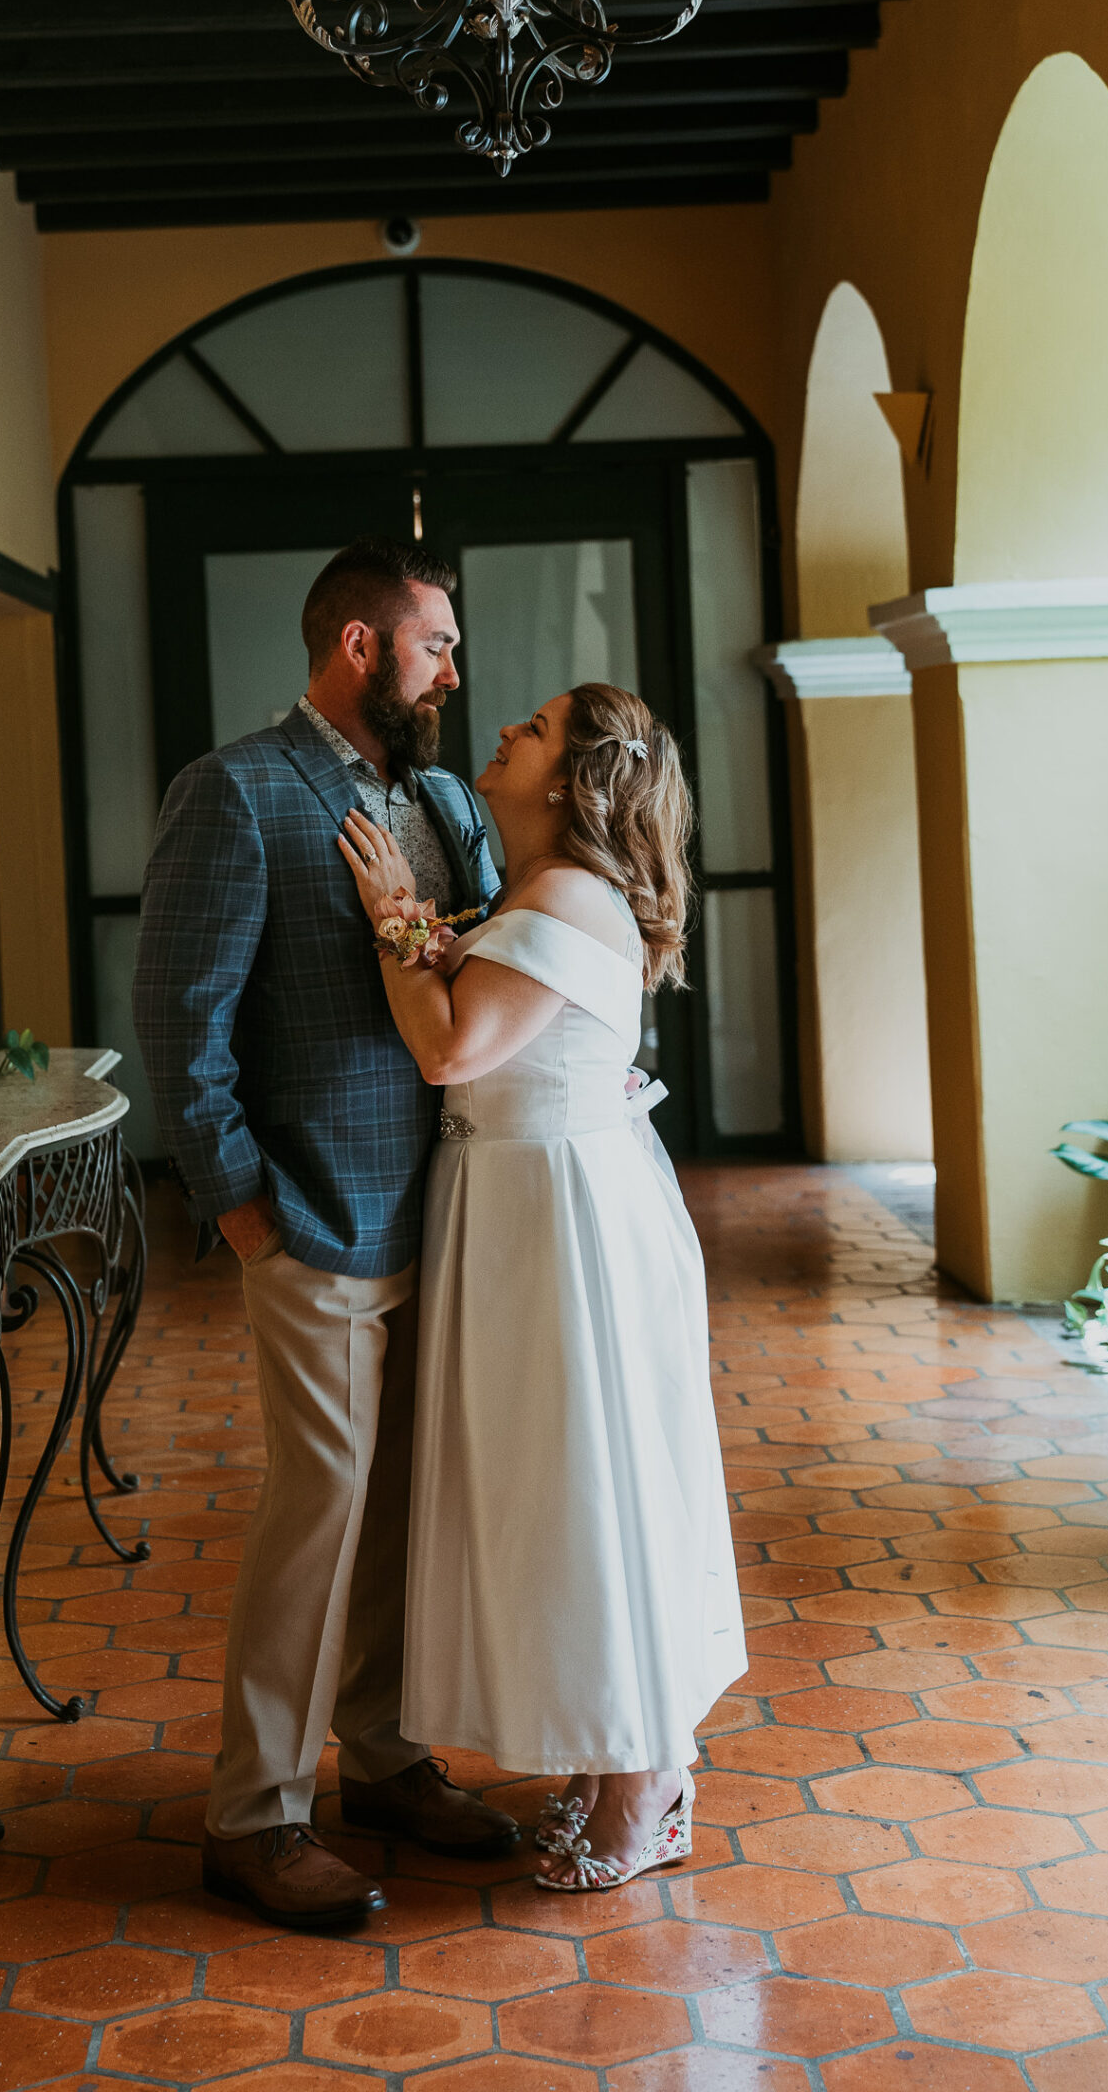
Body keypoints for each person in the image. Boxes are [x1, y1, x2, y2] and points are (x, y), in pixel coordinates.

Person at [134, 537, 520, 1931]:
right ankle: (253, 1815)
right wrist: (243, 1212)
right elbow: (181, 1030)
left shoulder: (431, 798)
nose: (451, 669)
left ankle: (384, 1755)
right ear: (359, 647)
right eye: (433, 644)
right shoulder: (234, 793)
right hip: (309, 1219)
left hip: (450, 1214)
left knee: (406, 1506)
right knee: (319, 1512)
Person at [336, 682, 747, 1890]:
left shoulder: (567, 892)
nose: (511, 726)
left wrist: (394, 921)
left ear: (572, 780)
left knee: (589, 1490)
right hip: (515, 1208)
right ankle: (607, 1748)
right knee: (553, 1494)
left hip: (560, 1223)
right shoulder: (536, 886)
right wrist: (435, 934)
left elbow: (451, 1047)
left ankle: (647, 1775)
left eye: (540, 727)